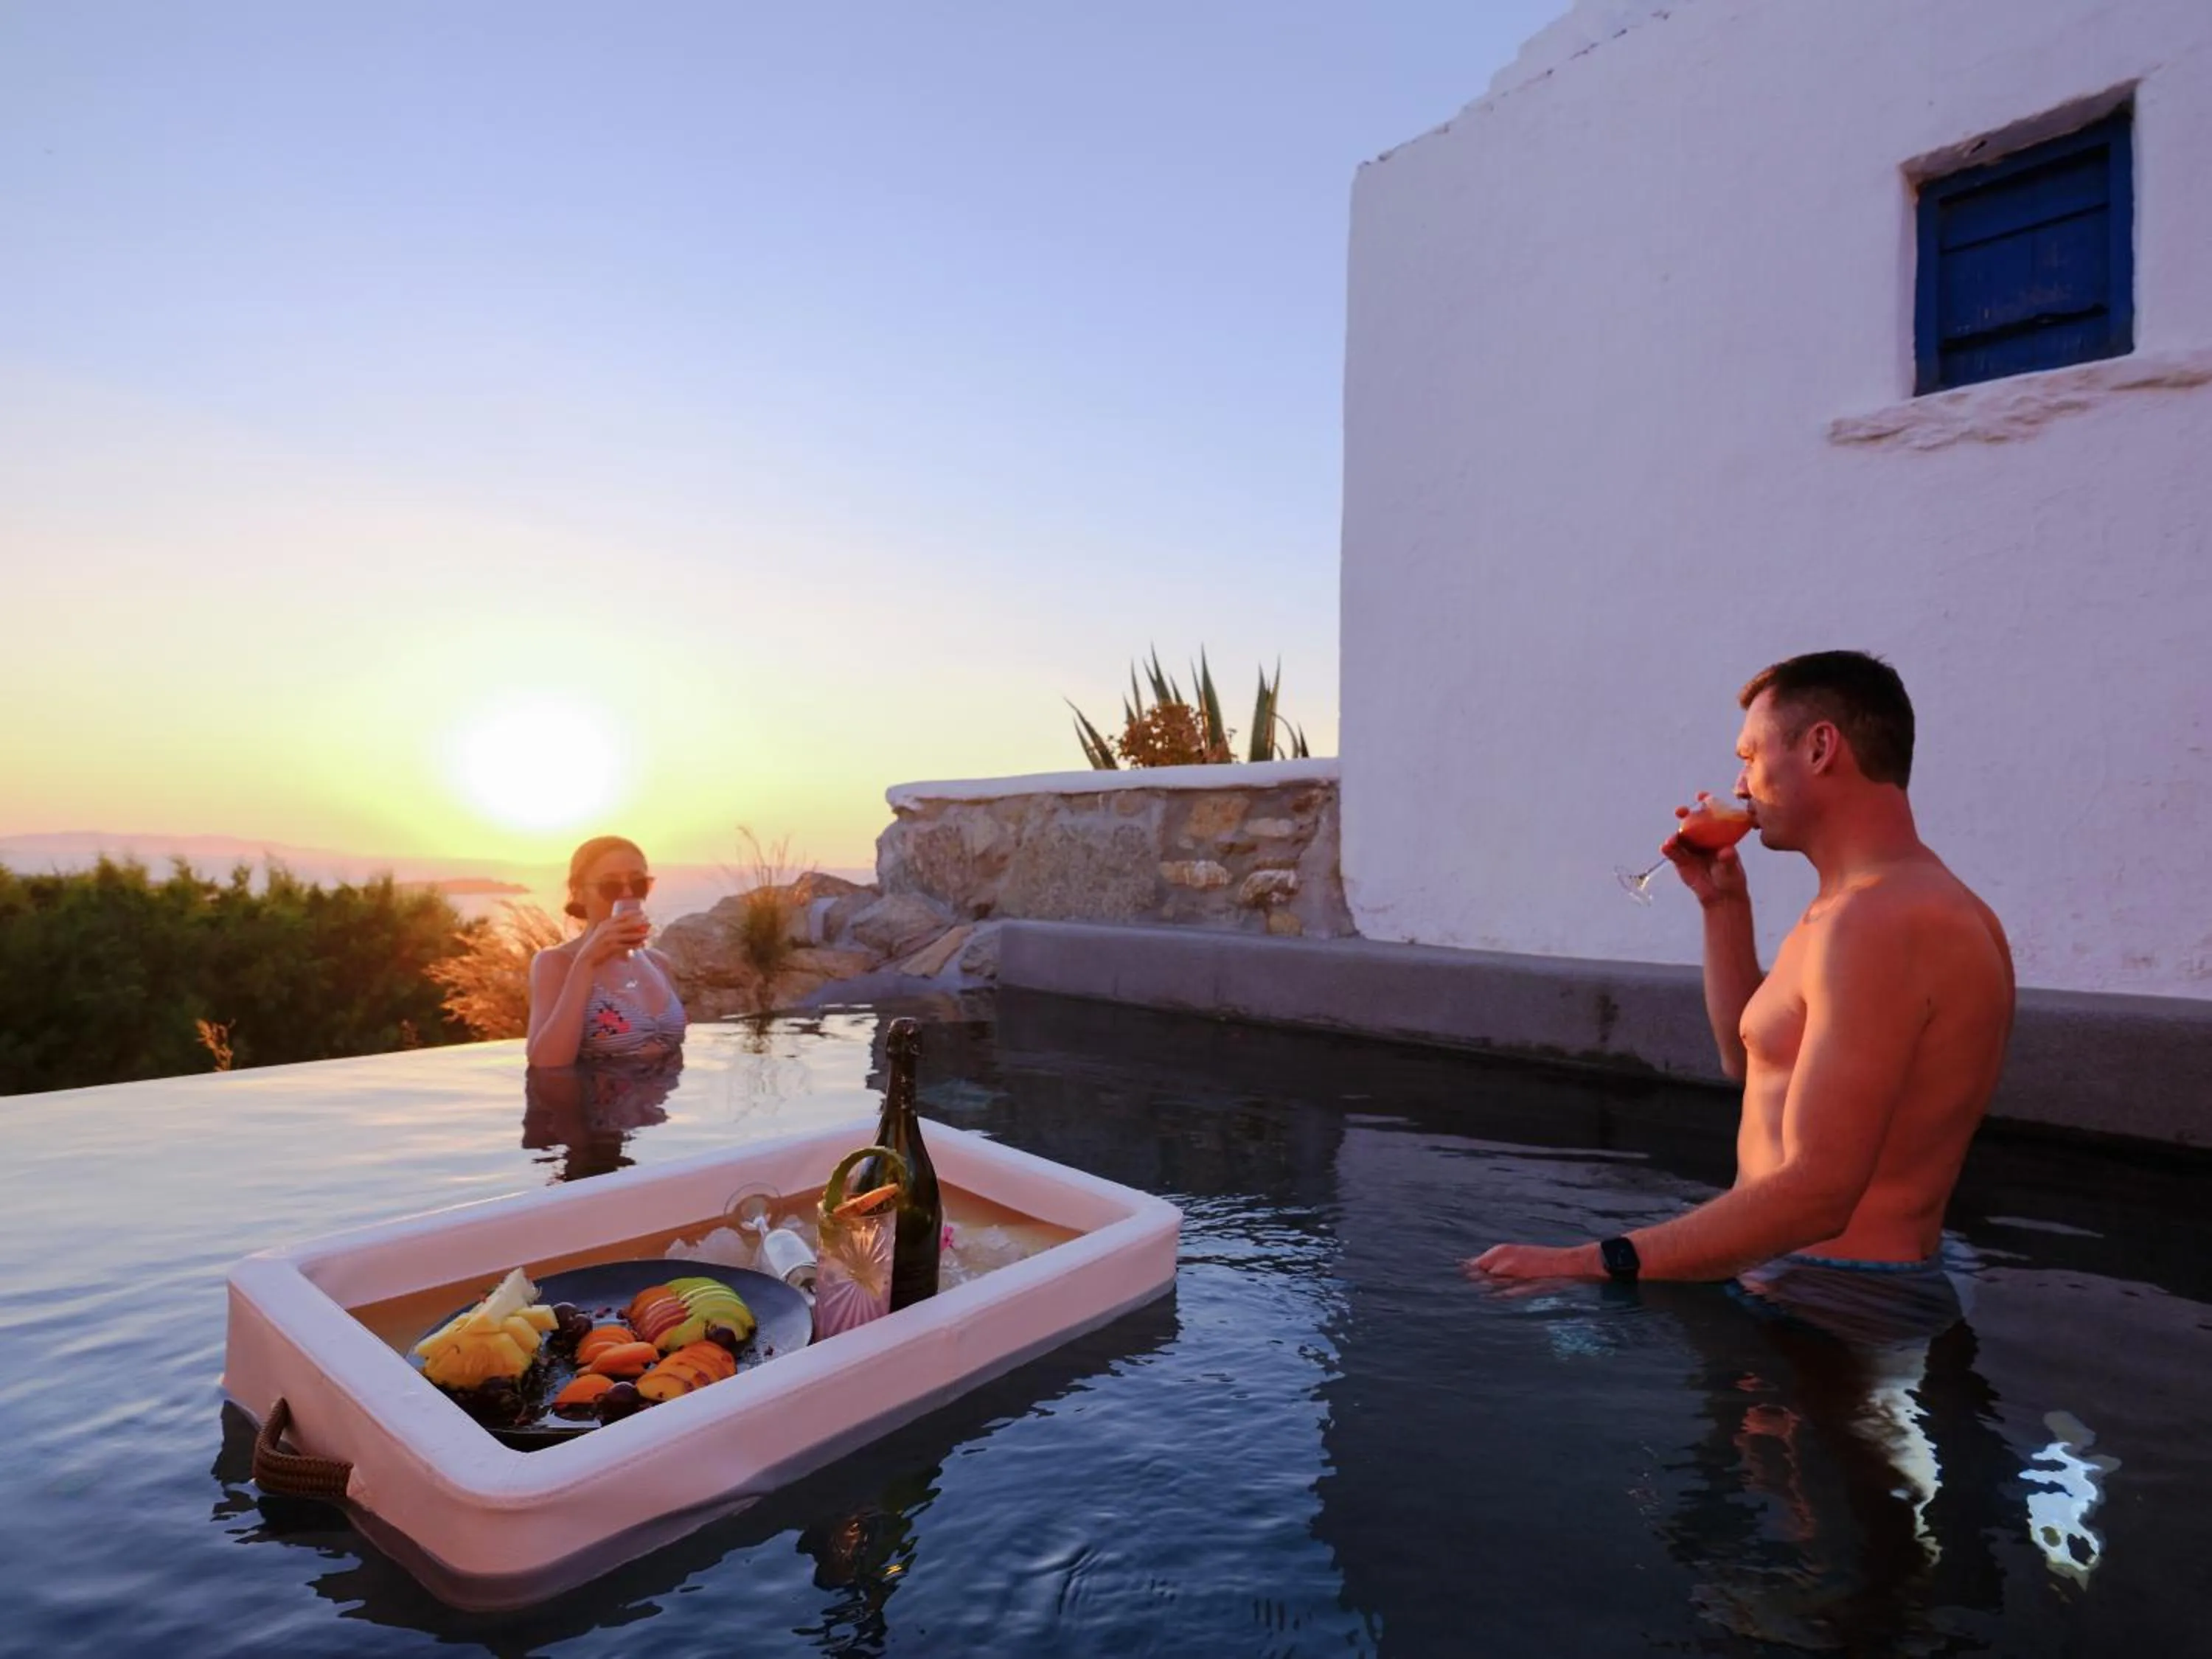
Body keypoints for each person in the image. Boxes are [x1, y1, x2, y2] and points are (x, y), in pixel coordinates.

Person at [1467, 650, 2014, 1285]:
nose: (1738, 785)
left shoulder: (1879, 921)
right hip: (1816, 1277)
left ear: (1819, 748)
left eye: (1750, 756)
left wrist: (1584, 1263)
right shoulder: (1866, 905)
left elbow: (1821, 1194)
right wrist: (1723, 906)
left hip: (1840, 1304)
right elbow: (1745, 1059)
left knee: (1530, 1321)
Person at [525, 835, 688, 1069]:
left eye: (638, 884)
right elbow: (545, 1064)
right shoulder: (557, 963)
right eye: (610, 886)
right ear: (579, 892)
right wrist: (586, 962)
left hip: (660, 1104)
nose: (628, 894)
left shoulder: (660, 964)